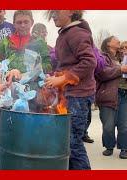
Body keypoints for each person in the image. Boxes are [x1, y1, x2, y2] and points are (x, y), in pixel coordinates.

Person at [45, 10, 96, 170]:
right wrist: (55, 77)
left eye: (56, 11)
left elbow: (89, 61)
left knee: (72, 143)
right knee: (67, 141)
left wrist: (63, 78)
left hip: (78, 97)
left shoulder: (76, 33)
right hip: (70, 95)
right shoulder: (65, 34)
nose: (52, 15)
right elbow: (68, 64)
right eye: (51, 12)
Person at [96, 36, 127, 159]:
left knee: (125, 124)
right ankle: (109, 146)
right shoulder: (102, 57)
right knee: (108, 125)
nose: (119, 41)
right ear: (108, 43)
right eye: (115, 39)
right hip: (108, 95)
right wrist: (120, 69)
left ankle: (124, 148)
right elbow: (102, 73)